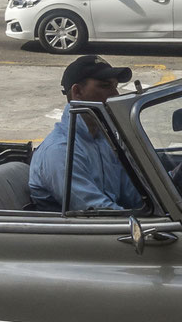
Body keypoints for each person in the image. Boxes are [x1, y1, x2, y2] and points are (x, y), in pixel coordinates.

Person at [29, 55, 144, 213]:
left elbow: (133, 194)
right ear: (77, 92)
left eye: (115, 86)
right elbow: (95, 211)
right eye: (105, 86)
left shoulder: (105, 140)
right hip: (77, 234)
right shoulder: (61, 151)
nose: (115, 95)